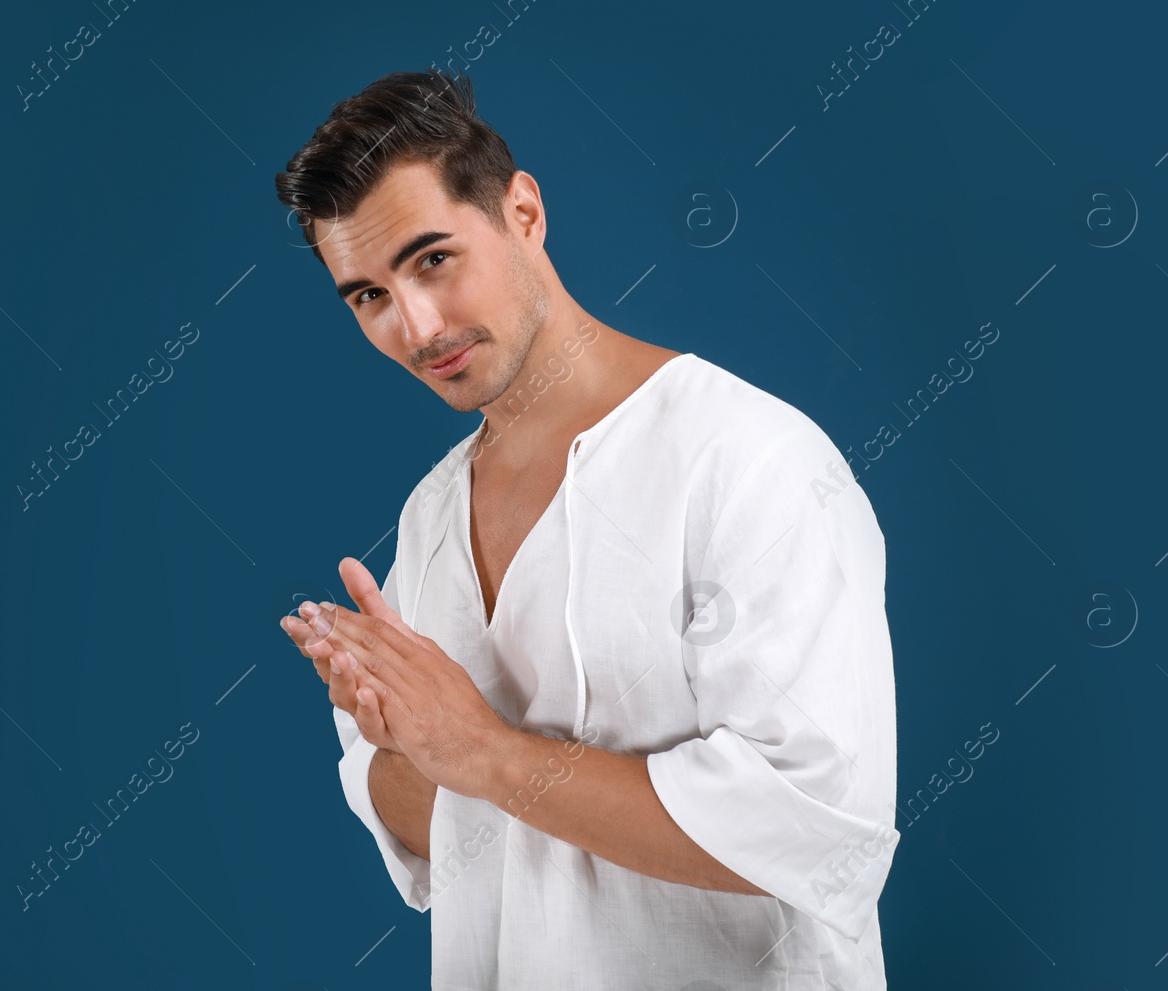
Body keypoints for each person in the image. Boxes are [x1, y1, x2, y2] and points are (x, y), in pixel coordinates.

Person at [275, 68, 899, 990]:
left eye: (432, 259)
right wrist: (410, 745)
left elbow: (812, 829)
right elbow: (421, 825)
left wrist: (480, 749)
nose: (415, 325)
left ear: (522, 212)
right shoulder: (429, 519)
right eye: (367, 295)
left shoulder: (748, 459)